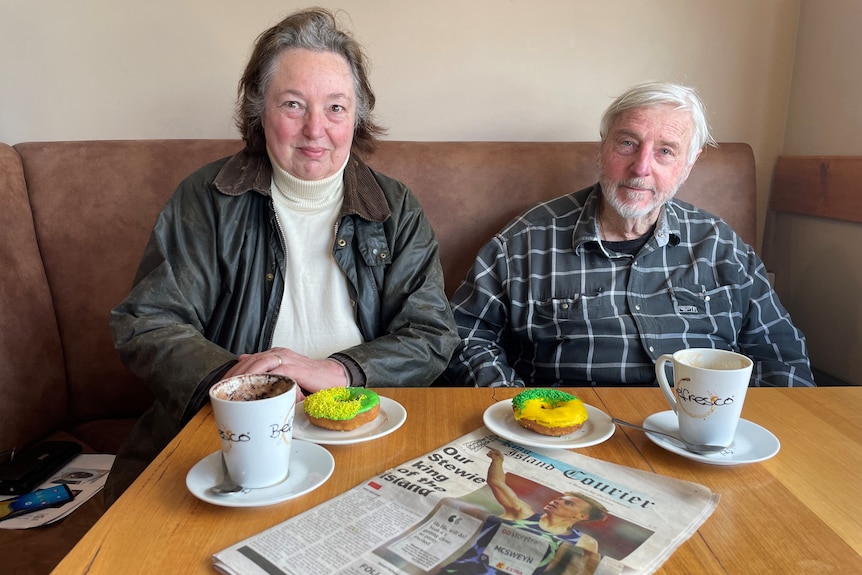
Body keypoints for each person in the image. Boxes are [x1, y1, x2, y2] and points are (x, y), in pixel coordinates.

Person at [106, 8, 458, 503]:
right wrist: (245, 389)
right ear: (259, 111)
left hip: (361, 432)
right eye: (293, 104)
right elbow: (147, 321)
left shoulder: (395, 206)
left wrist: (338, 371)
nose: (316, 129)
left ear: (357, 116)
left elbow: (433, 333)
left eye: (335, 107)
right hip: (227, 436)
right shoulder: (205, 199)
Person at [444, 81, 814, 388]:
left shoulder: (721, 246)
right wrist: (515, 405)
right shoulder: (523, 242)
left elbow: (780, 355)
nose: (641, 167)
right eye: (627, 143)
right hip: (572, 437)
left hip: (704, 436)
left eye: (665, 151)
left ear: (689, 165)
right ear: (603, 146)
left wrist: (755, 433)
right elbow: (465, 336)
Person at [441, 448, 606, 574]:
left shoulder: (585, 541)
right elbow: (497, 483)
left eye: (568, 504)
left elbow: (587, 570)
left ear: (581, 516)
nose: (556, 501)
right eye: (558, 499)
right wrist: (497, 461)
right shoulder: (523, 513)